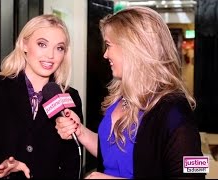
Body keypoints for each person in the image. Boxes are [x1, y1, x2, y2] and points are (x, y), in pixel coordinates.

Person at [55, 6, 205, 179]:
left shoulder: (176, 110)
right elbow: (116, 153)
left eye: (109, 45)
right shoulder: (121, 98)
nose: (105, 54)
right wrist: (80, 131)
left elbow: (197, 172)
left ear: (132, 48)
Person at [0, 14, 83, 179]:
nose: (51, 55)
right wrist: (0, 166)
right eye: (42, 44)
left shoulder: (69, 97)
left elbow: (72, 165)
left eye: (59, 48)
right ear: (24, 44)